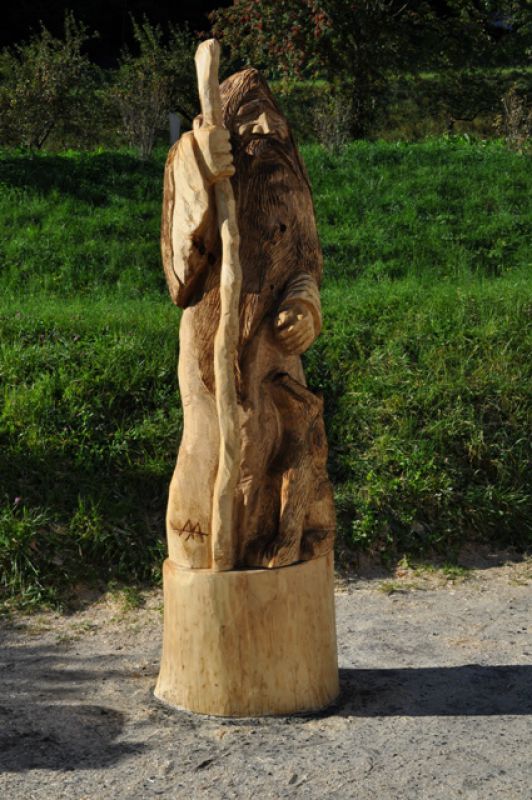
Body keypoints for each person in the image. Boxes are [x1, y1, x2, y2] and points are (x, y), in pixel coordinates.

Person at [161, 68, 335, 570]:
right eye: (251, 121)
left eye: (273, 120)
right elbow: (180, 277)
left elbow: (307, 261)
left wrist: (305, 306)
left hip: (274, 355)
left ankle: (287, 535)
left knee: (283, 447)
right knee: (209, 447)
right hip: (209, 347)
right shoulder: (200, 163)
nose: (266, 130)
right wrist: (197, 161)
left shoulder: (290, 187)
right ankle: (207, 550)